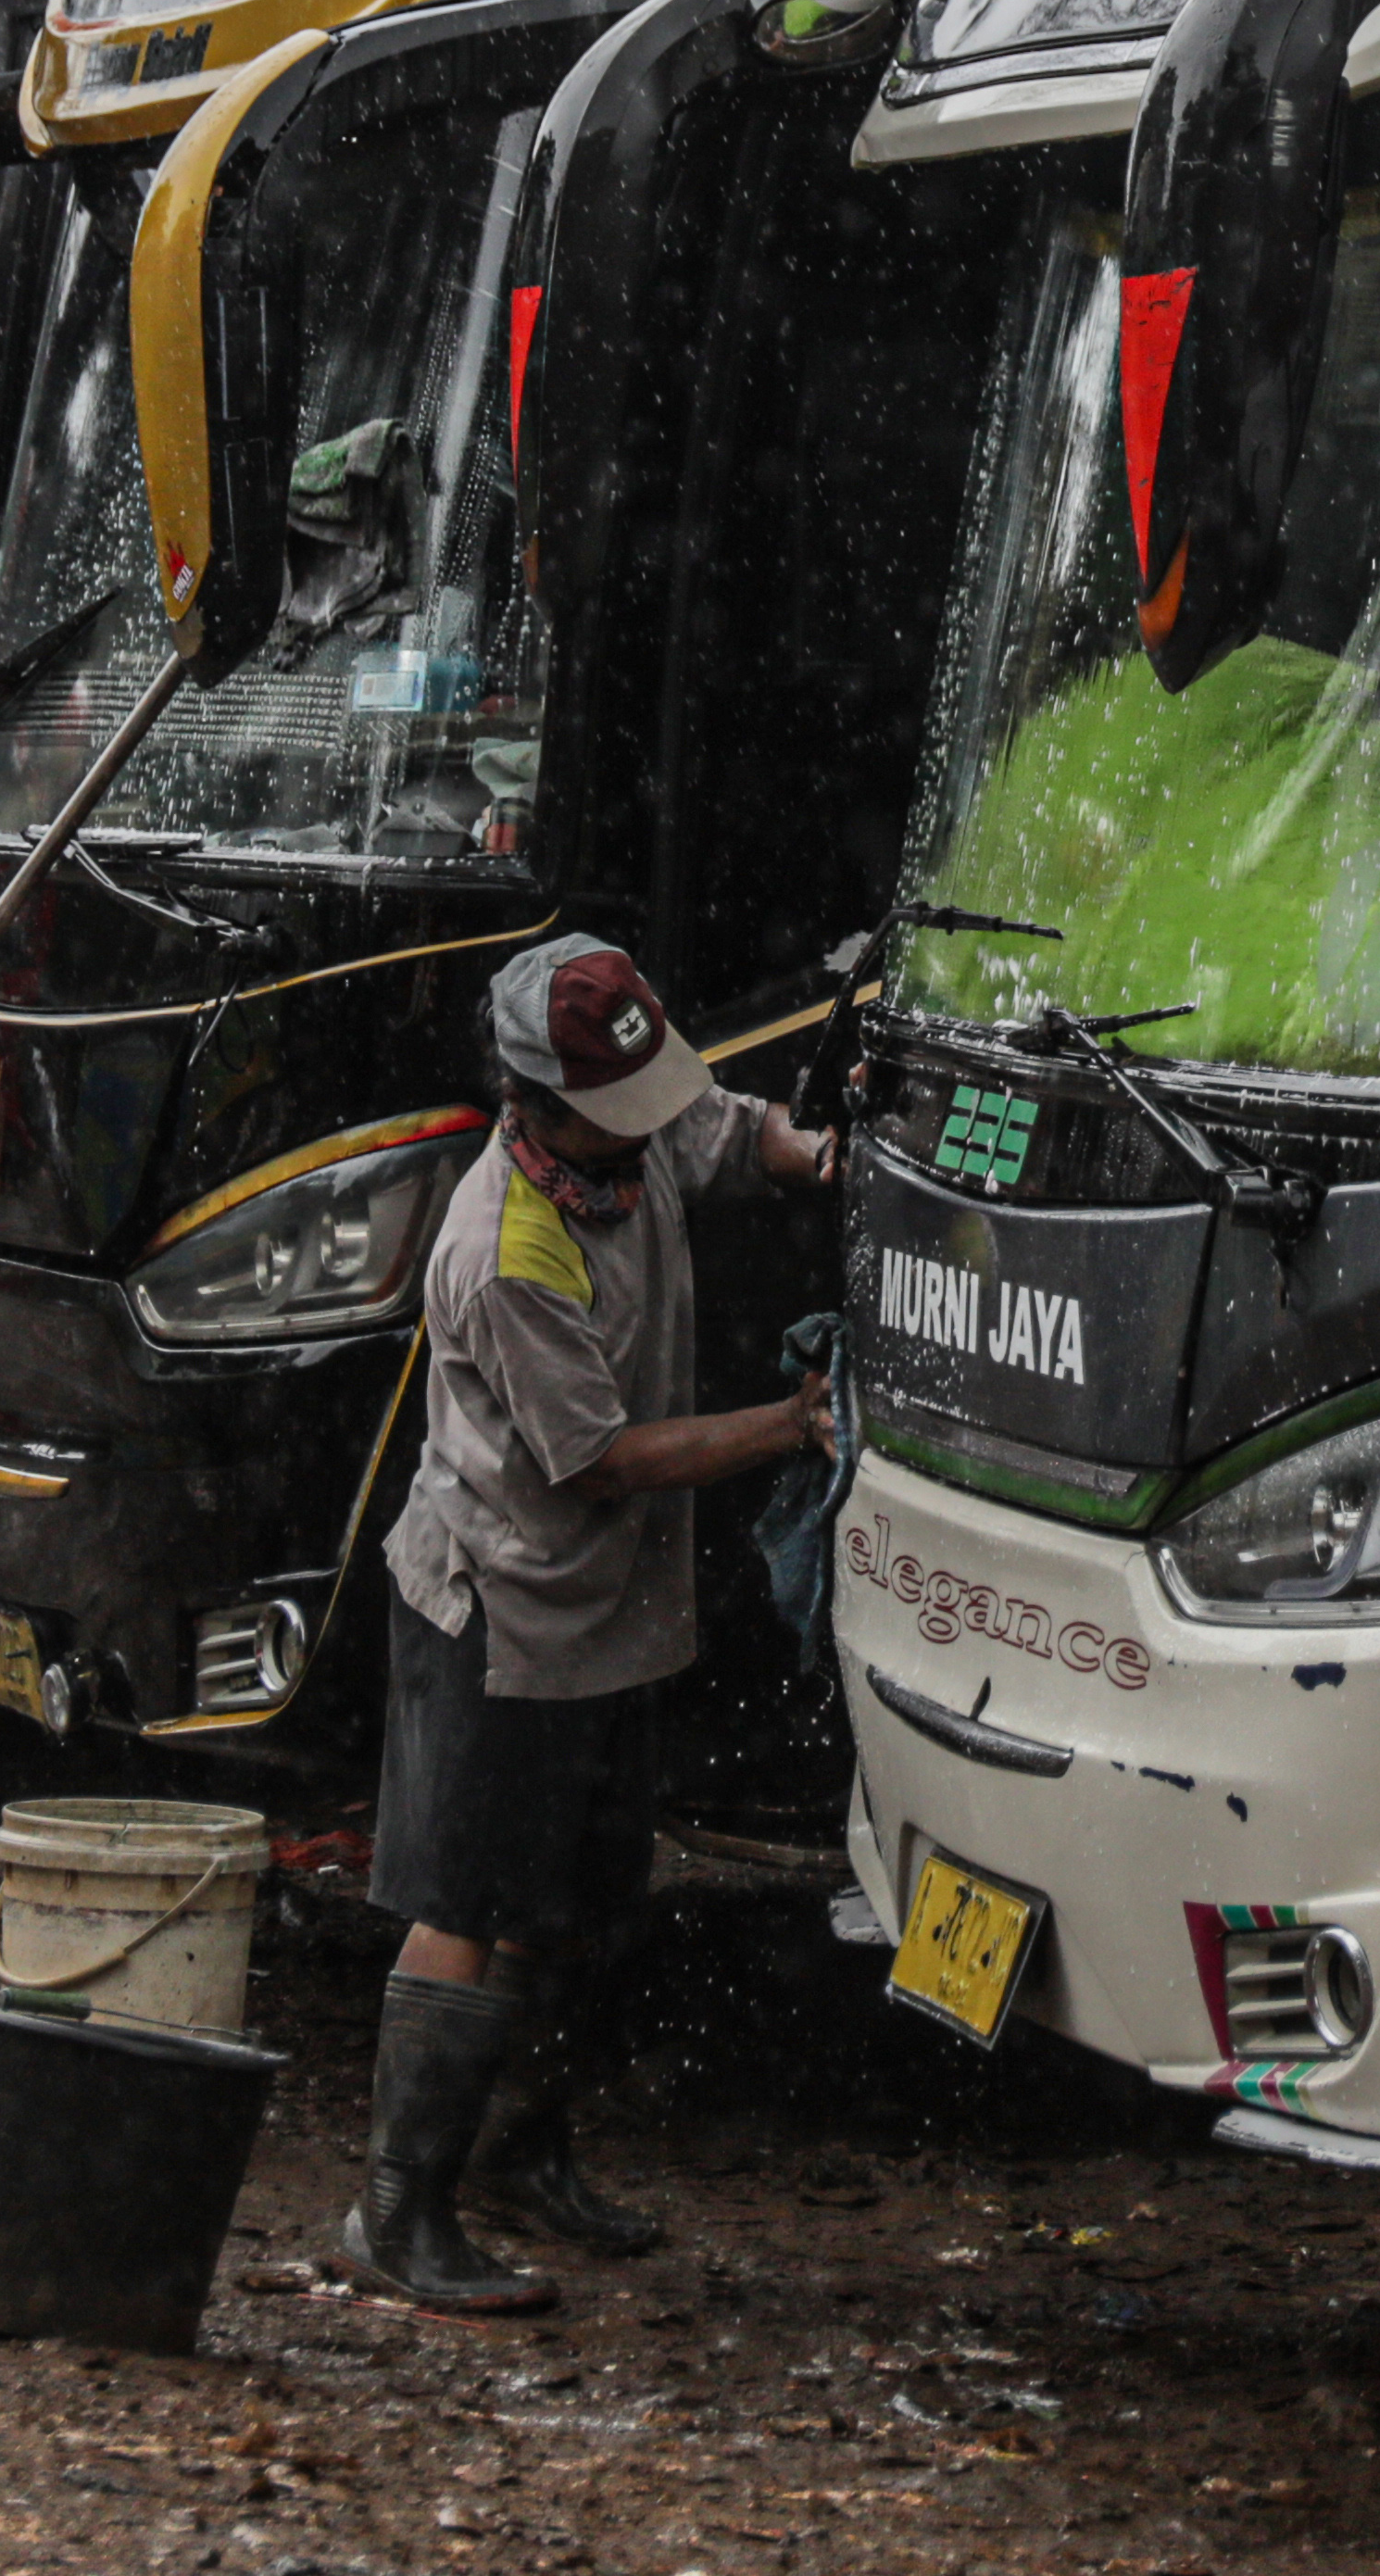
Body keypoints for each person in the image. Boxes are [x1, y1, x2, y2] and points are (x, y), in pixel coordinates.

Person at [343, 930, 836, 2313]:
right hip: (499, 1606)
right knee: (465, 1902)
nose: (645, 1125)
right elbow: (601, 1460)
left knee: (583, 1903)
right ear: (535, 1103)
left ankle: (519, 2152)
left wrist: (821, 1153)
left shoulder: (629, 1136)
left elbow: (725, 1130)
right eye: (612, 1111)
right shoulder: (509, 1246)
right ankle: (400, 2205)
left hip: (610, 1612)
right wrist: (789, 1427)